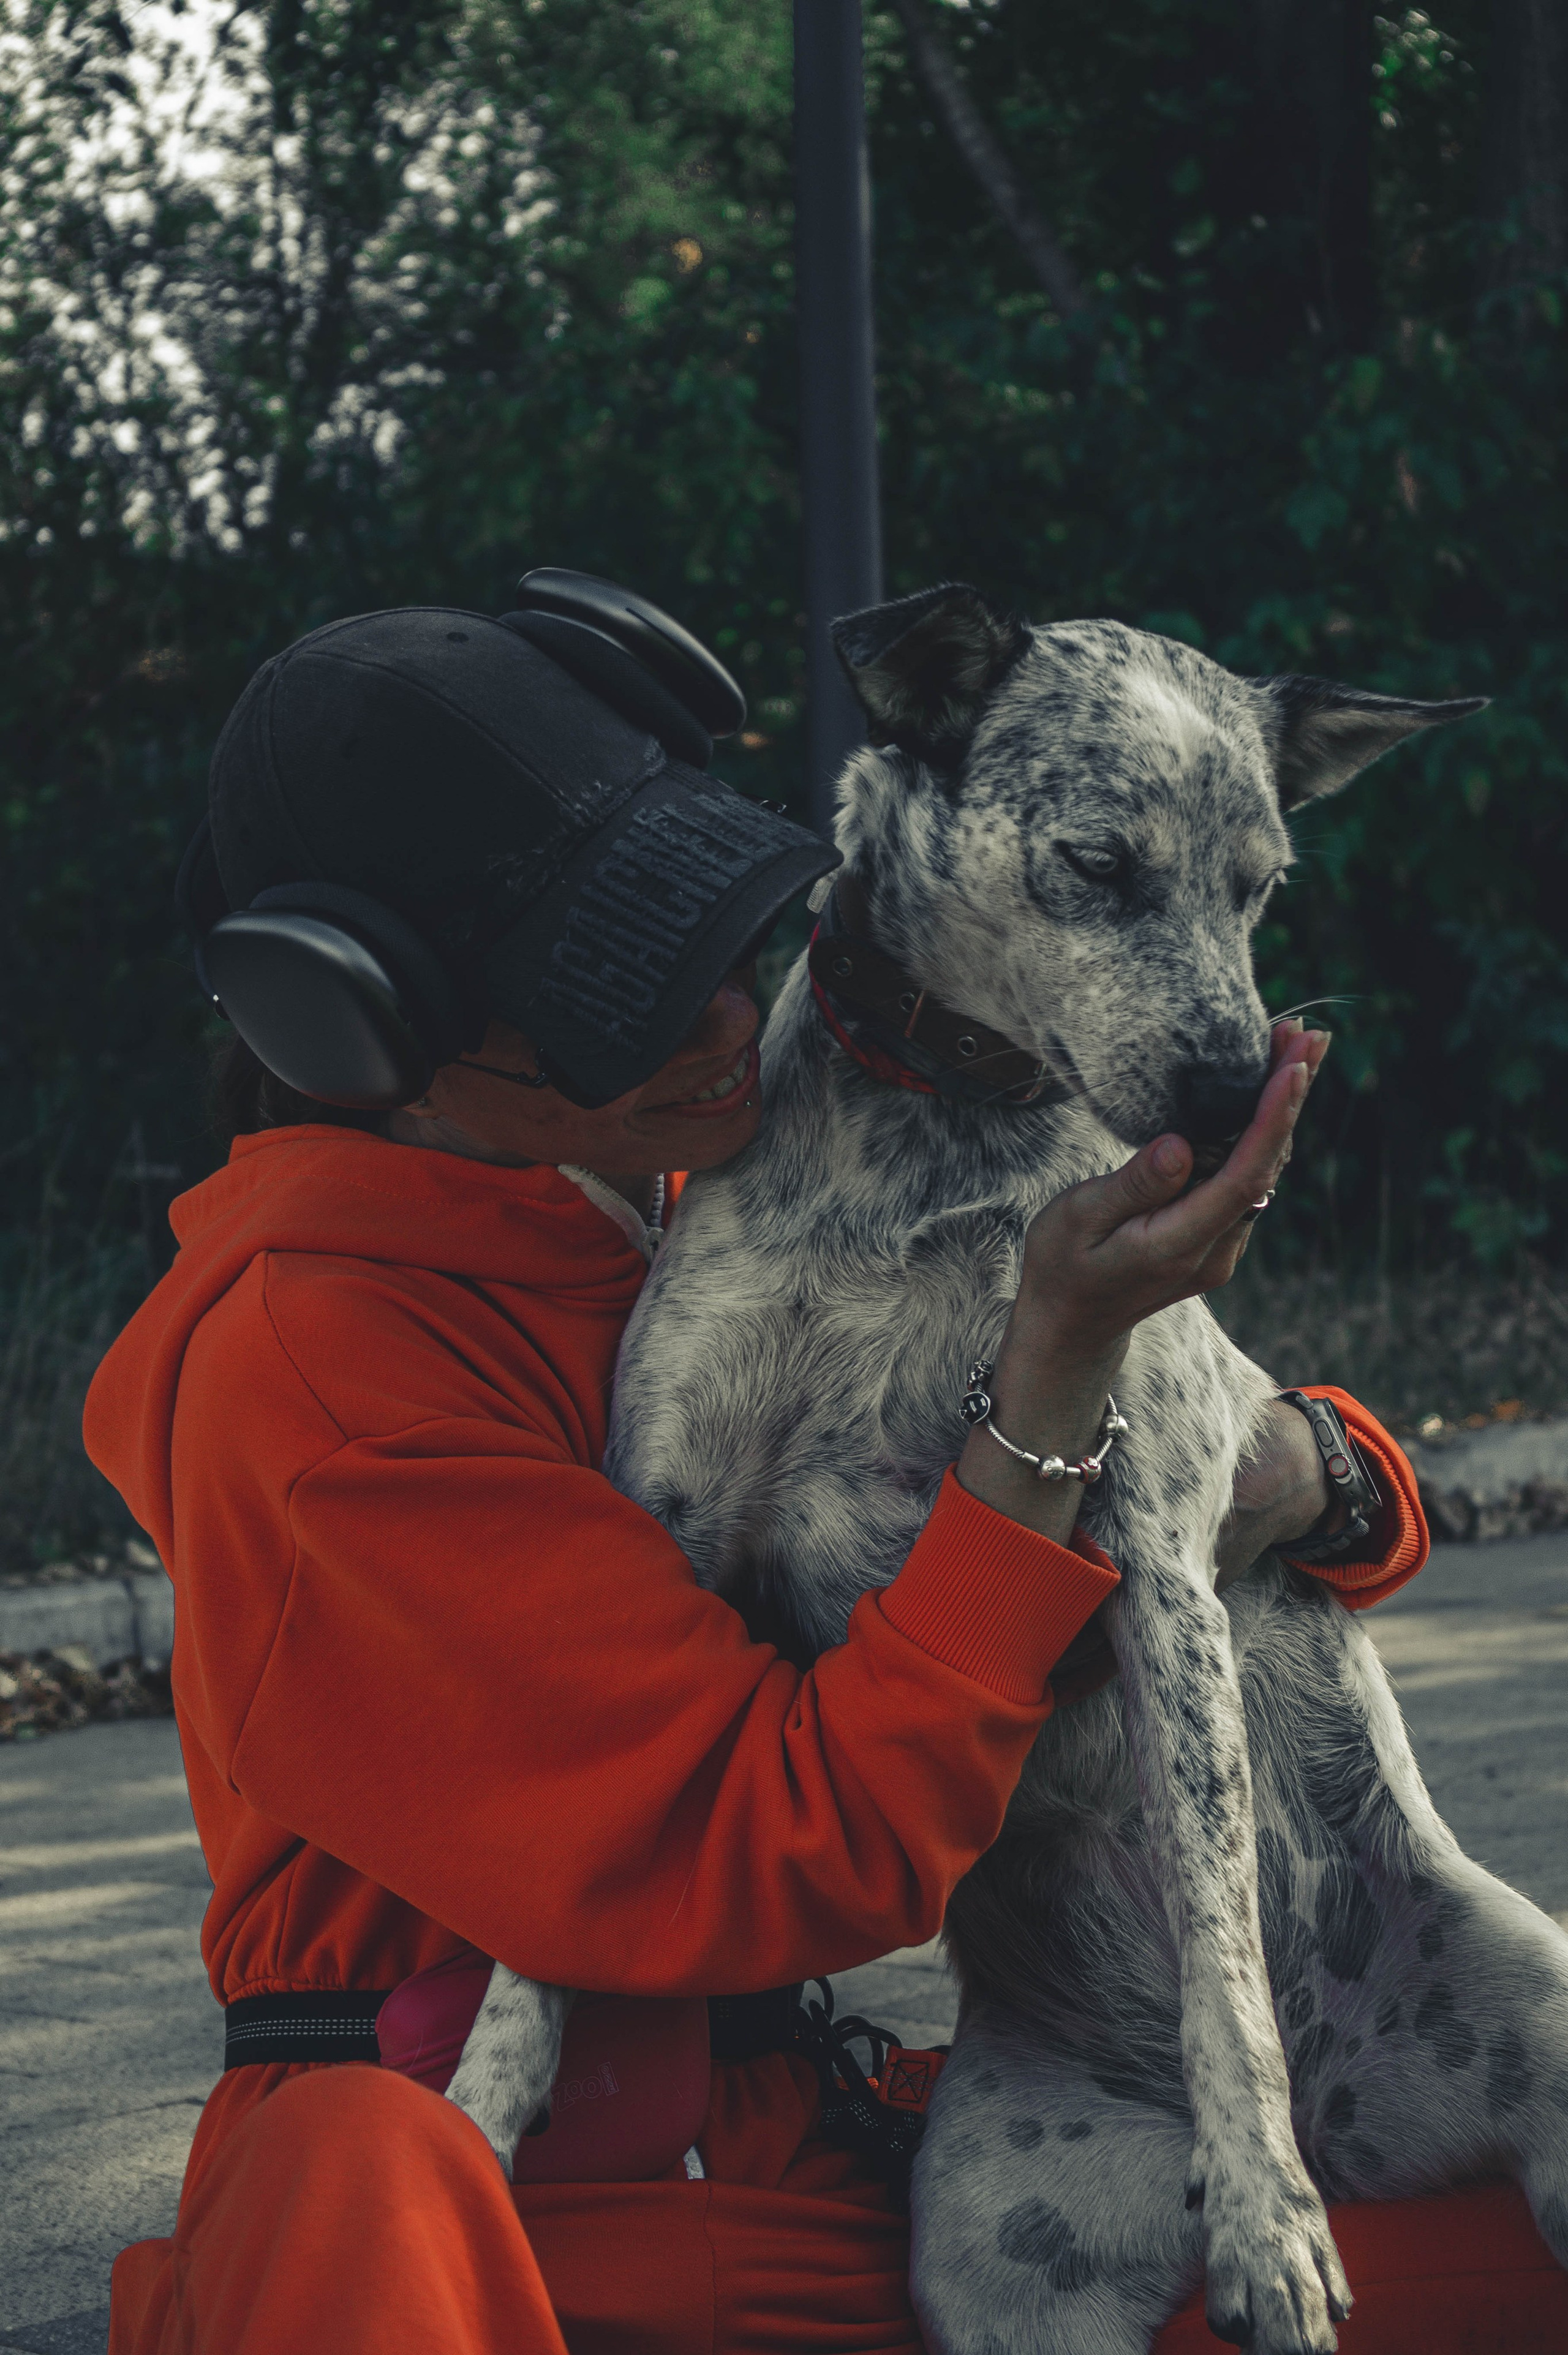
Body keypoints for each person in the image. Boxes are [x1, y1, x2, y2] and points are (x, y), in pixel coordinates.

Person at [85, 584, 1563, 2354]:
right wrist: (1048, 1408)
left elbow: (1160, 1458)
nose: (725, 1016)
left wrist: (1324, 1475)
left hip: (806, 2122)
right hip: (543, 2216)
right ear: (359, 1027)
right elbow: (793, 1852)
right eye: (620, 994)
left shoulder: (643, 1190)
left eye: (723, 932)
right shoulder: (322, 1388)